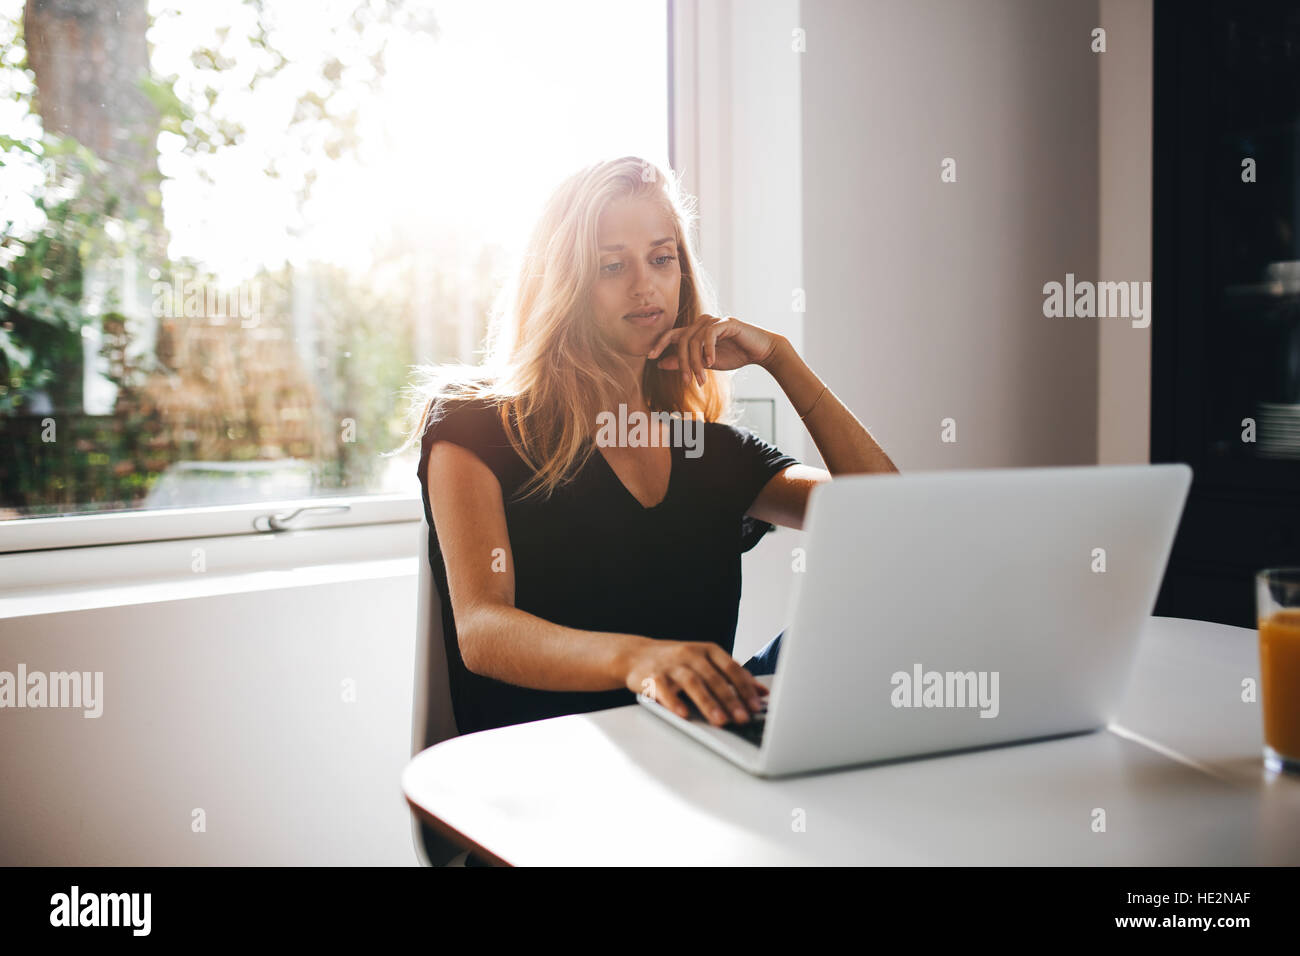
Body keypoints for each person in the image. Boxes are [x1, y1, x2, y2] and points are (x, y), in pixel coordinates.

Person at [398, 155, 898, 743]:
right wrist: (639, 661)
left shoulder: (703, 449)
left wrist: (782, 361)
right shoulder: (478, 423)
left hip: (692, 745)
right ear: (565, 283)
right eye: (613, 265)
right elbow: (483, 628)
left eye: (662, 258)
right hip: (543, 760)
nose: (645, 285)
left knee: (886, 613)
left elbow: (892, 520)